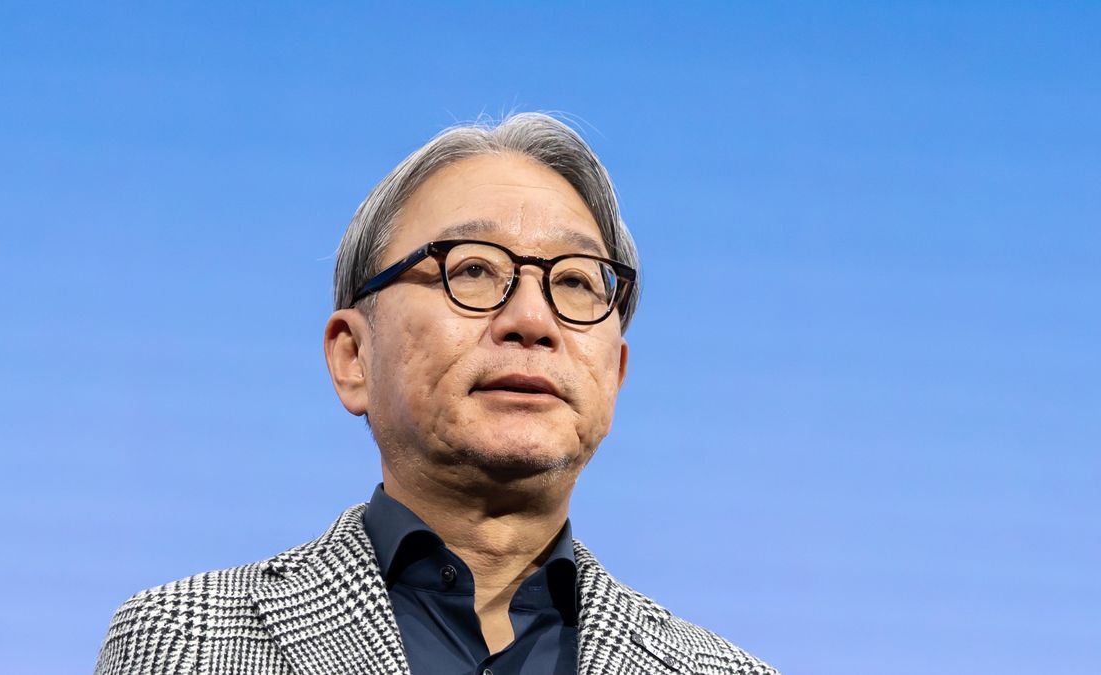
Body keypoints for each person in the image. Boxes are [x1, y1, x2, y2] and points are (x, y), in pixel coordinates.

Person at [94, 113, 778, 675]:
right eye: (473, 269)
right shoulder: (183, 642)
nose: (532, 321)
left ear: (616, 374)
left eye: (574, 282)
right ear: (353, 355)